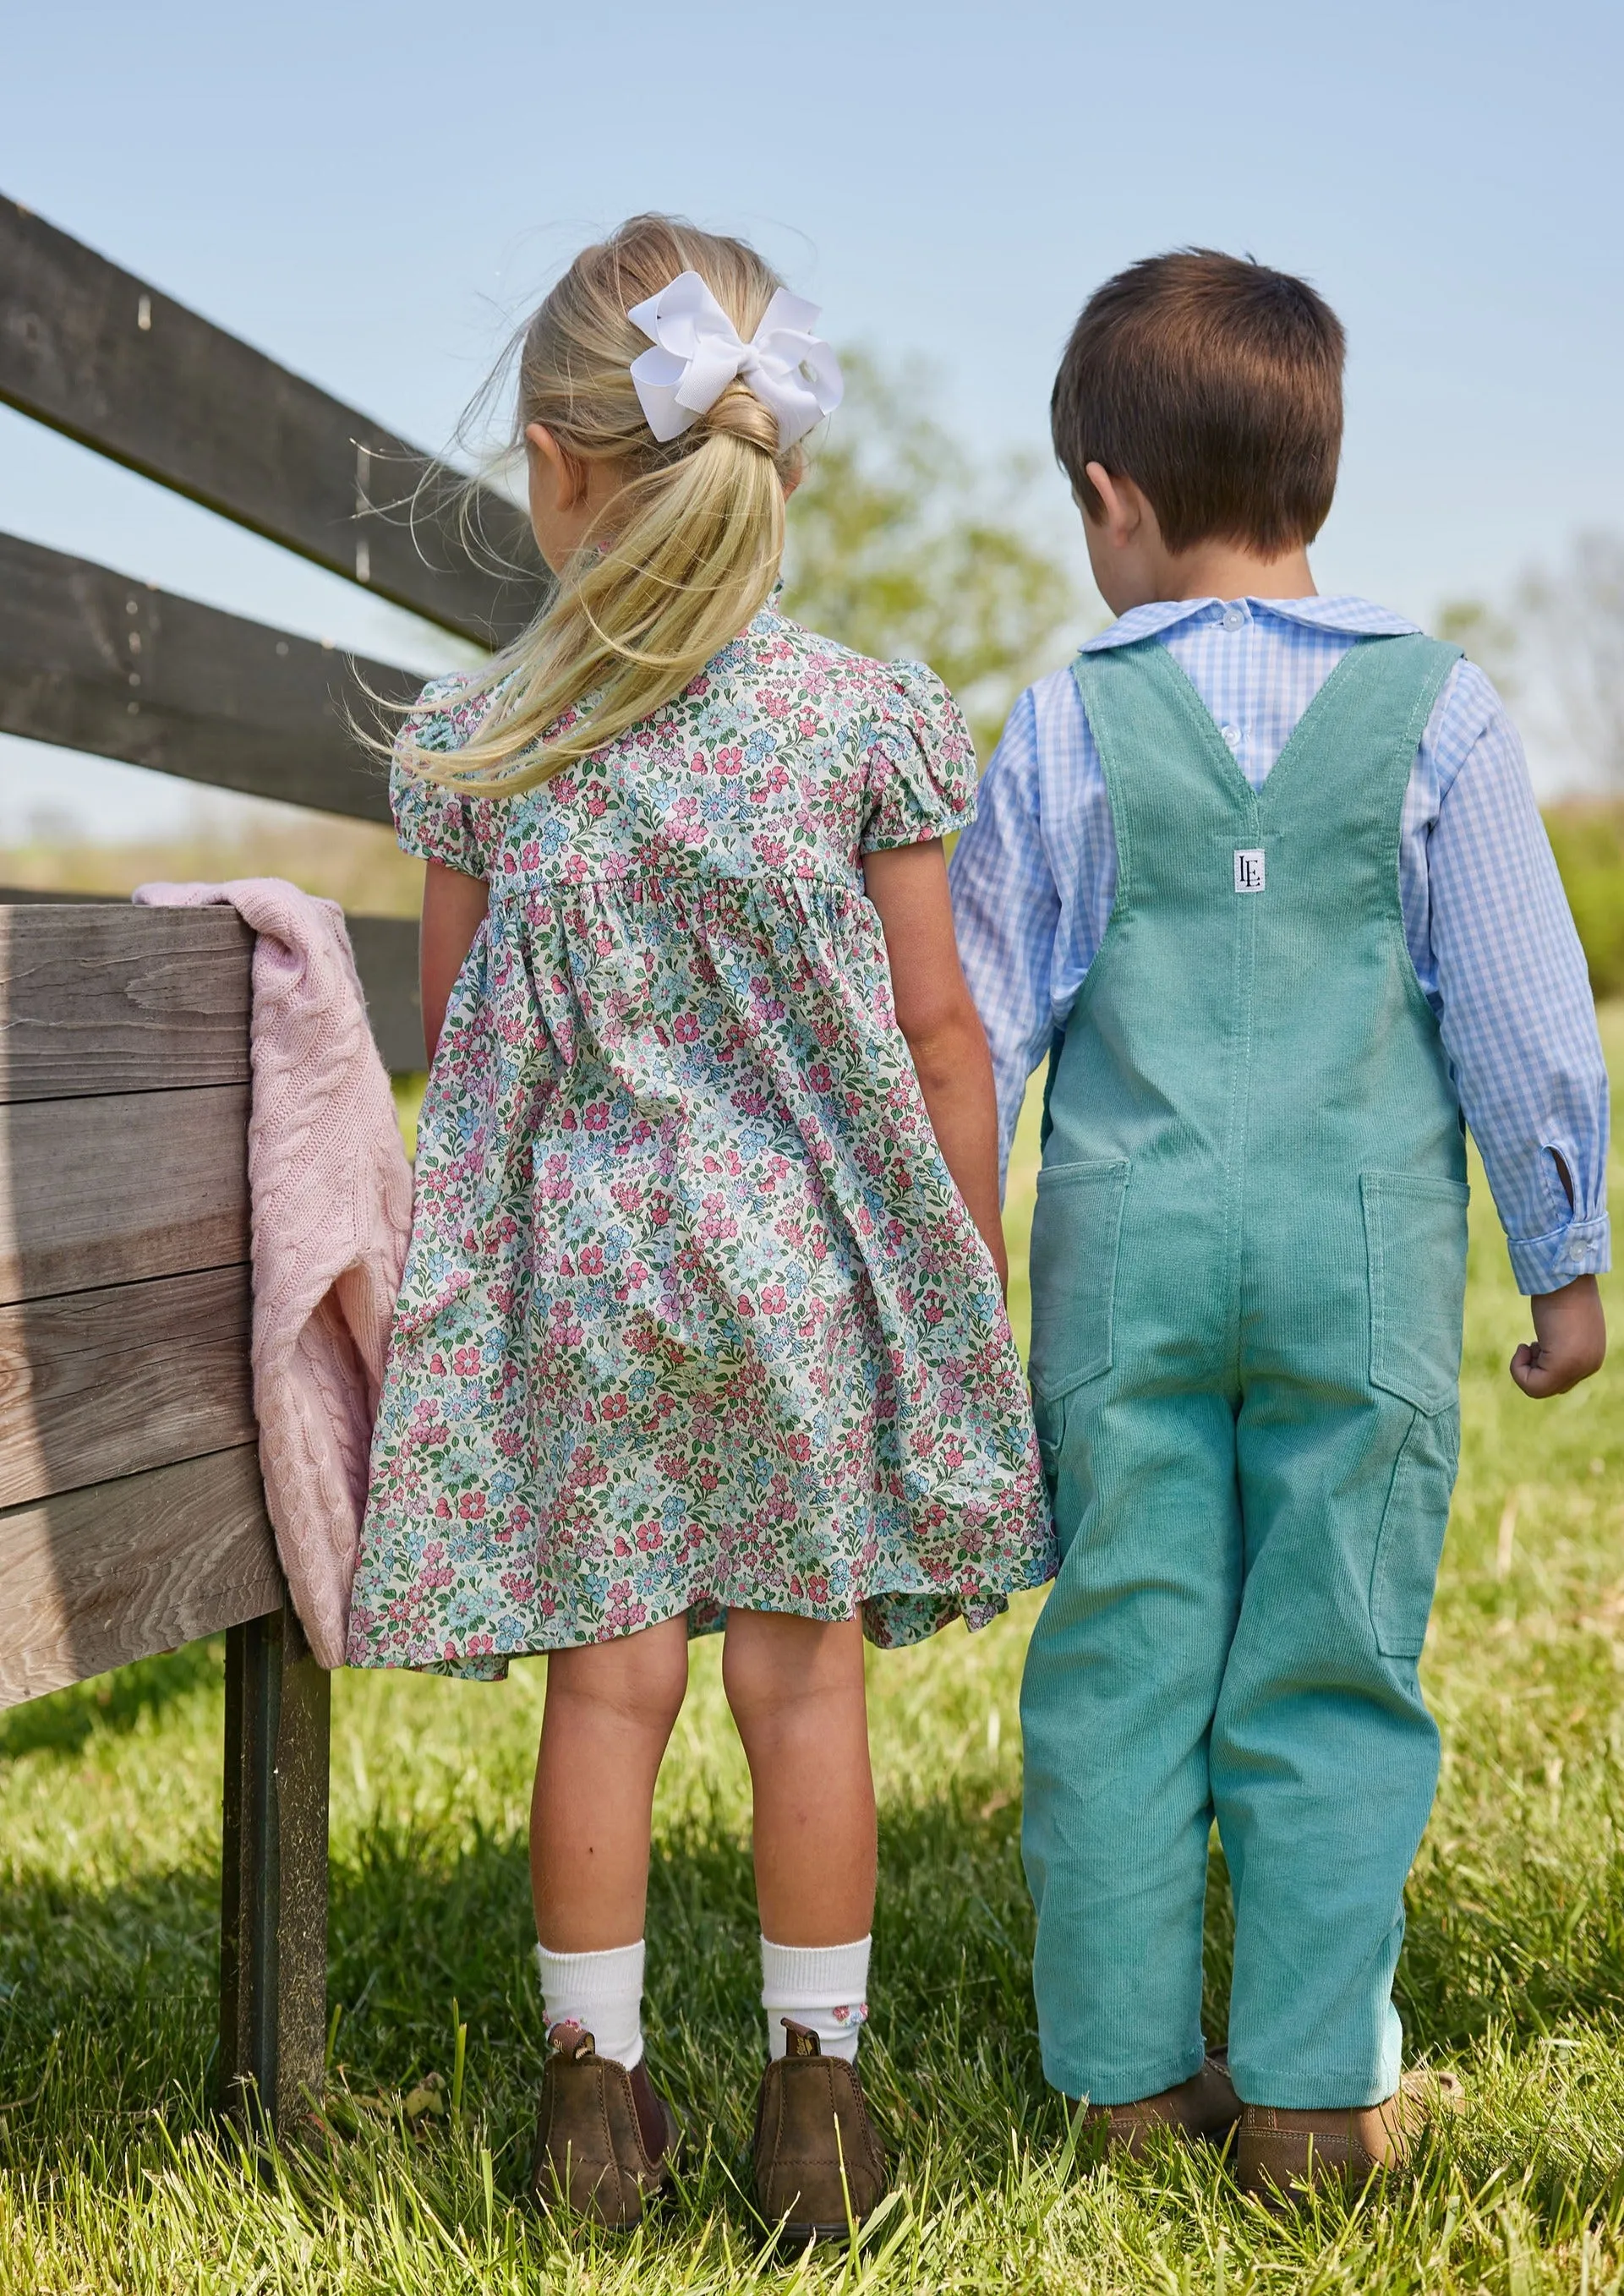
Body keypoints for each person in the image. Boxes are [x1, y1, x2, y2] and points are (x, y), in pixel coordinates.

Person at [346, 214, 1053, 2239]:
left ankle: (592, 2104)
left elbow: (461, 1039)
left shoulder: (492, 735)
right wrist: (958, 1272)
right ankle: (817, 2102)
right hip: (803, 1278)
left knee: (615, 1682)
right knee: (802, 1679)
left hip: (584, 1270)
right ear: (783, 467)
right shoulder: (860, 718)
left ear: (556, 470)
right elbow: (940, 1030)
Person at [949, 249, 1609, 2200]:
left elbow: (976, 1027)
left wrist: (951, 1265)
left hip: (1125, 1279)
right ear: (1315, 473)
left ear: (1104, 498)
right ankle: (1320, 2092)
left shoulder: (1066, 730)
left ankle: (1126, 2078)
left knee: (1128, 1651)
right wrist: (1564, 1256)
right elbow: (1523, 1015)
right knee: (1337, 1653)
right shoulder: (1445, 718)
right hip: (1364, 1281)